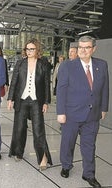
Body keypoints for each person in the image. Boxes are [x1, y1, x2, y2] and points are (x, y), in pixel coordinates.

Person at [57, 35, 109, 188]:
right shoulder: (67, 66)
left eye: (87, 47)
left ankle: (89, 174)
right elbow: (61, 90)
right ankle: (66, 165)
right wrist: (61, 112)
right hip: (71, 114)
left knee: (89, 145)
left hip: (92, 115)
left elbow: (105, 88)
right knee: (68, 143)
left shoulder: (102, 65)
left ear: (93, 49)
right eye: (80, 47)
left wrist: (104, 107)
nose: (83, 50)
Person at [7, 38, 53, 170]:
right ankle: (18, 152)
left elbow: (46, 85)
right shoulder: (20, 63)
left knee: (38, 131)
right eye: (27, 49)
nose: (29, 51)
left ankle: (43, 157)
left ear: (37, 50)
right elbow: (14, 82)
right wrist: (10, 99)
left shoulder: (43, 64)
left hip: (36, 102)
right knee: (19, 128)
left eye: (32, 49)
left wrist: (46, 102)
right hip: (21, 100)